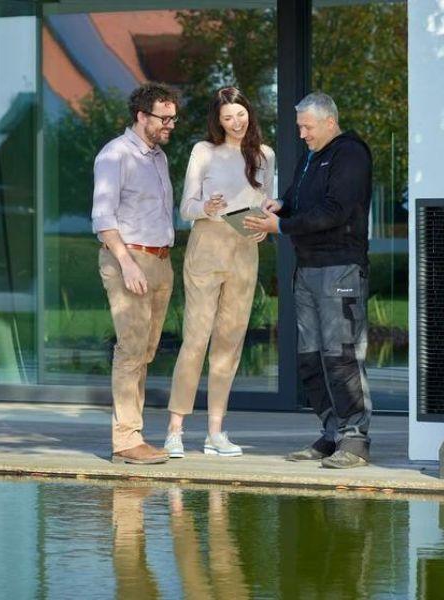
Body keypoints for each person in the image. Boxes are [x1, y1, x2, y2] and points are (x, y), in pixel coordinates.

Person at [244, 92, 374, 469]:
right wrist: (281, 205)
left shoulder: (350, 154)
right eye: (300, 126)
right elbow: (302, 200)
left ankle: (355, 440)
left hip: (340, 268)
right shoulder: (312, 155)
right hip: (307, 268)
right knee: (310, 358)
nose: (301, 133)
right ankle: (333, 433)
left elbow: (335, 210)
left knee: (341, 355)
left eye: (307, 126)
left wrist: (281, 225)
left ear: (330, 122)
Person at [164, 87, 274, 458]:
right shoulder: (203, 151)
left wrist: (264, 225)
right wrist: (206, 207)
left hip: (245, 251)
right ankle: (175, 429)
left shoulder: (265, 155)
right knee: (196, 338)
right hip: (207, 248)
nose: (236, 122)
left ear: (249, 113)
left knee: (230, 342)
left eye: (240, 114)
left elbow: (265, 205)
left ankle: (215, 432)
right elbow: (185, 208)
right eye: (228, 117)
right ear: (218, 121)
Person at [92, 82, 180, 465]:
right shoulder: (115, 155)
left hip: (160, 261)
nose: (170, 125)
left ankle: (134, 433)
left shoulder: (157, 157)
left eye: (174, 119)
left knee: (145, 351)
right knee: (130, 351)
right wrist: (127, 264)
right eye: (164, 118)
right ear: (141, 116)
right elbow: (102, 218)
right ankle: (126, 440)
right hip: (129, 260)